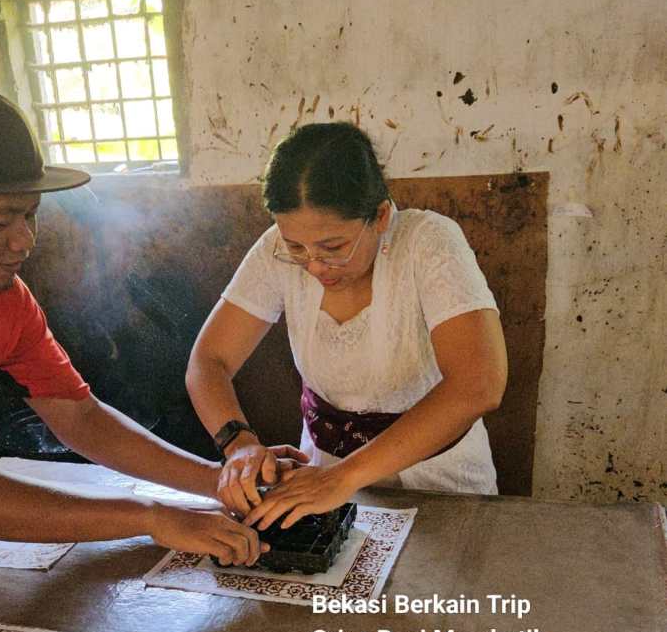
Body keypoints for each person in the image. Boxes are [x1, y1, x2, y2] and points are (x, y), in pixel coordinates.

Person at [0, 83, 294, 565]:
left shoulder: (2, 299)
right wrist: (152, 517)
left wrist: (217, 480)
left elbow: (80, 418)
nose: (25, 240)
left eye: (30, 215)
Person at [187, 121, 508, 530]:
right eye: (296, 247)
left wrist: (344, 477)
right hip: (320, 473)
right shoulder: (275, 250)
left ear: (380, 216)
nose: (314, 265)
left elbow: (479, 384)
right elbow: (208, 360)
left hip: (437, 478)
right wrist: (239, 443)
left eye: (333, 247)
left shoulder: (428, 242)